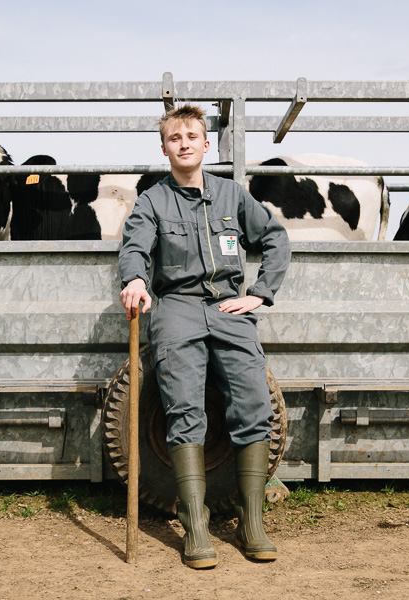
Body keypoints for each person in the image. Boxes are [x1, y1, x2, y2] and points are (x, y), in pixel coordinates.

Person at [118, 104, 291, 569]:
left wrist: (259, 294)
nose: (185, 143)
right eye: (175, 138)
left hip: (230, 308)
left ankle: (251, 522)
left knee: (255, 404)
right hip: (177, 308)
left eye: (193, 136)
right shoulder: (153, 200)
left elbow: (276, 239)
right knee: (184, 410)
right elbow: (134, 246)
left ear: (206, 144)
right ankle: (195, 523)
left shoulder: (232, 196)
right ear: (165, 147)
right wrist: (135, 279)